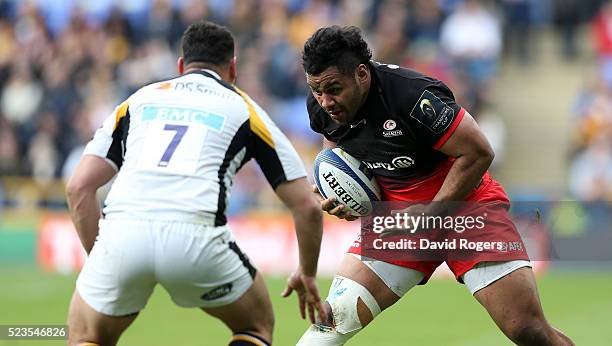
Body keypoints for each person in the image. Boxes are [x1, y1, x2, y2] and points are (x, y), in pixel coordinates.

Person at [297, 25, 574, 346]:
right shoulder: (322, 104)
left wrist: (429, 214)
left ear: (361, 73)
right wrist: (334, 188)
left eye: (333, 89)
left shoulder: (412, 95)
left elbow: (479, 152)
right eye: (317, 90)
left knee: (530, 332)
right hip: (398, 221)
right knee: (332, 321)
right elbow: (335, 146)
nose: (325, 101)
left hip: (467, 211)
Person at [65, 20, 326, 346]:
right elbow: (306, 207)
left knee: (86, 336)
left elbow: (78, 188)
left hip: (122, 233)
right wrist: (307, 271)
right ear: (232, 68)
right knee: (255, 325)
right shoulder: (245, 108)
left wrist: (104, 260)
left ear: (180, 66)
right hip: (195, 239)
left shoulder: (138, 100)